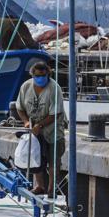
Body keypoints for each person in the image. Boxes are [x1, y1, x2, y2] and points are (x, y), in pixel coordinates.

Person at [16, 61, 66, 197]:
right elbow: (19, 107)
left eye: (43, 75)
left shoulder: (54, 88)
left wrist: (41, 125)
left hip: (52, 129)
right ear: (32, 75)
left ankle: (51, 188)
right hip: (33, 128)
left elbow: (56, 113)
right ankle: (40, 186)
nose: (40, 78)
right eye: (37, 76)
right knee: (35, 156)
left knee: (53, 160)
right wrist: (26, 122)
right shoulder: (26, 87)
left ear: (48, 75)